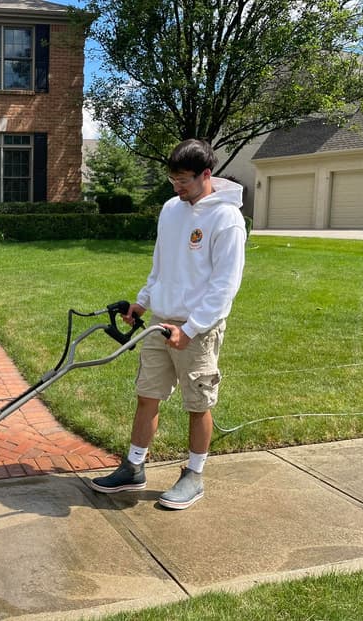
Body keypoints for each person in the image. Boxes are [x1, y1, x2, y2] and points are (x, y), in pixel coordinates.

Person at [90, 139, 246, 510]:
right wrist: (142, 303)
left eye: (184, 182)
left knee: (197, 403)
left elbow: (225, 286)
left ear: (206, 175)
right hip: (161, 323)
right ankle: (133, 467)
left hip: (198, 328)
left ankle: (194, 475)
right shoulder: (171, 210)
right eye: (172, 180)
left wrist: (191, 329)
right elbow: (161, 265)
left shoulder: (227, 219)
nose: (177, 188)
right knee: (147, 395)